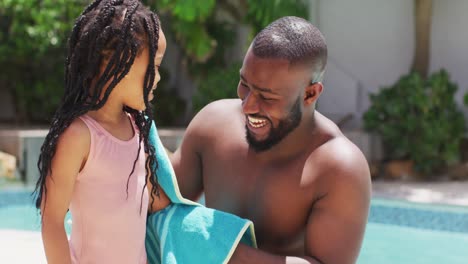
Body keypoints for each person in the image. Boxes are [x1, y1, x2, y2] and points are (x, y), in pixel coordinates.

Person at [169, 16, 371, 264]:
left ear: (310, 94)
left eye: (267, 96)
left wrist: (221, 252)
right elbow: (162, 205)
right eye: (244, 84)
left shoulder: (338, 168)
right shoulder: (212, 125)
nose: (247, 106)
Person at [33, 1, 171, 263]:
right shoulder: (80, 136)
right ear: (117, 61)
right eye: (153, 66)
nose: (159, 77)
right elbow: (51, 221)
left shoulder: (138, 129)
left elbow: (154, 199)